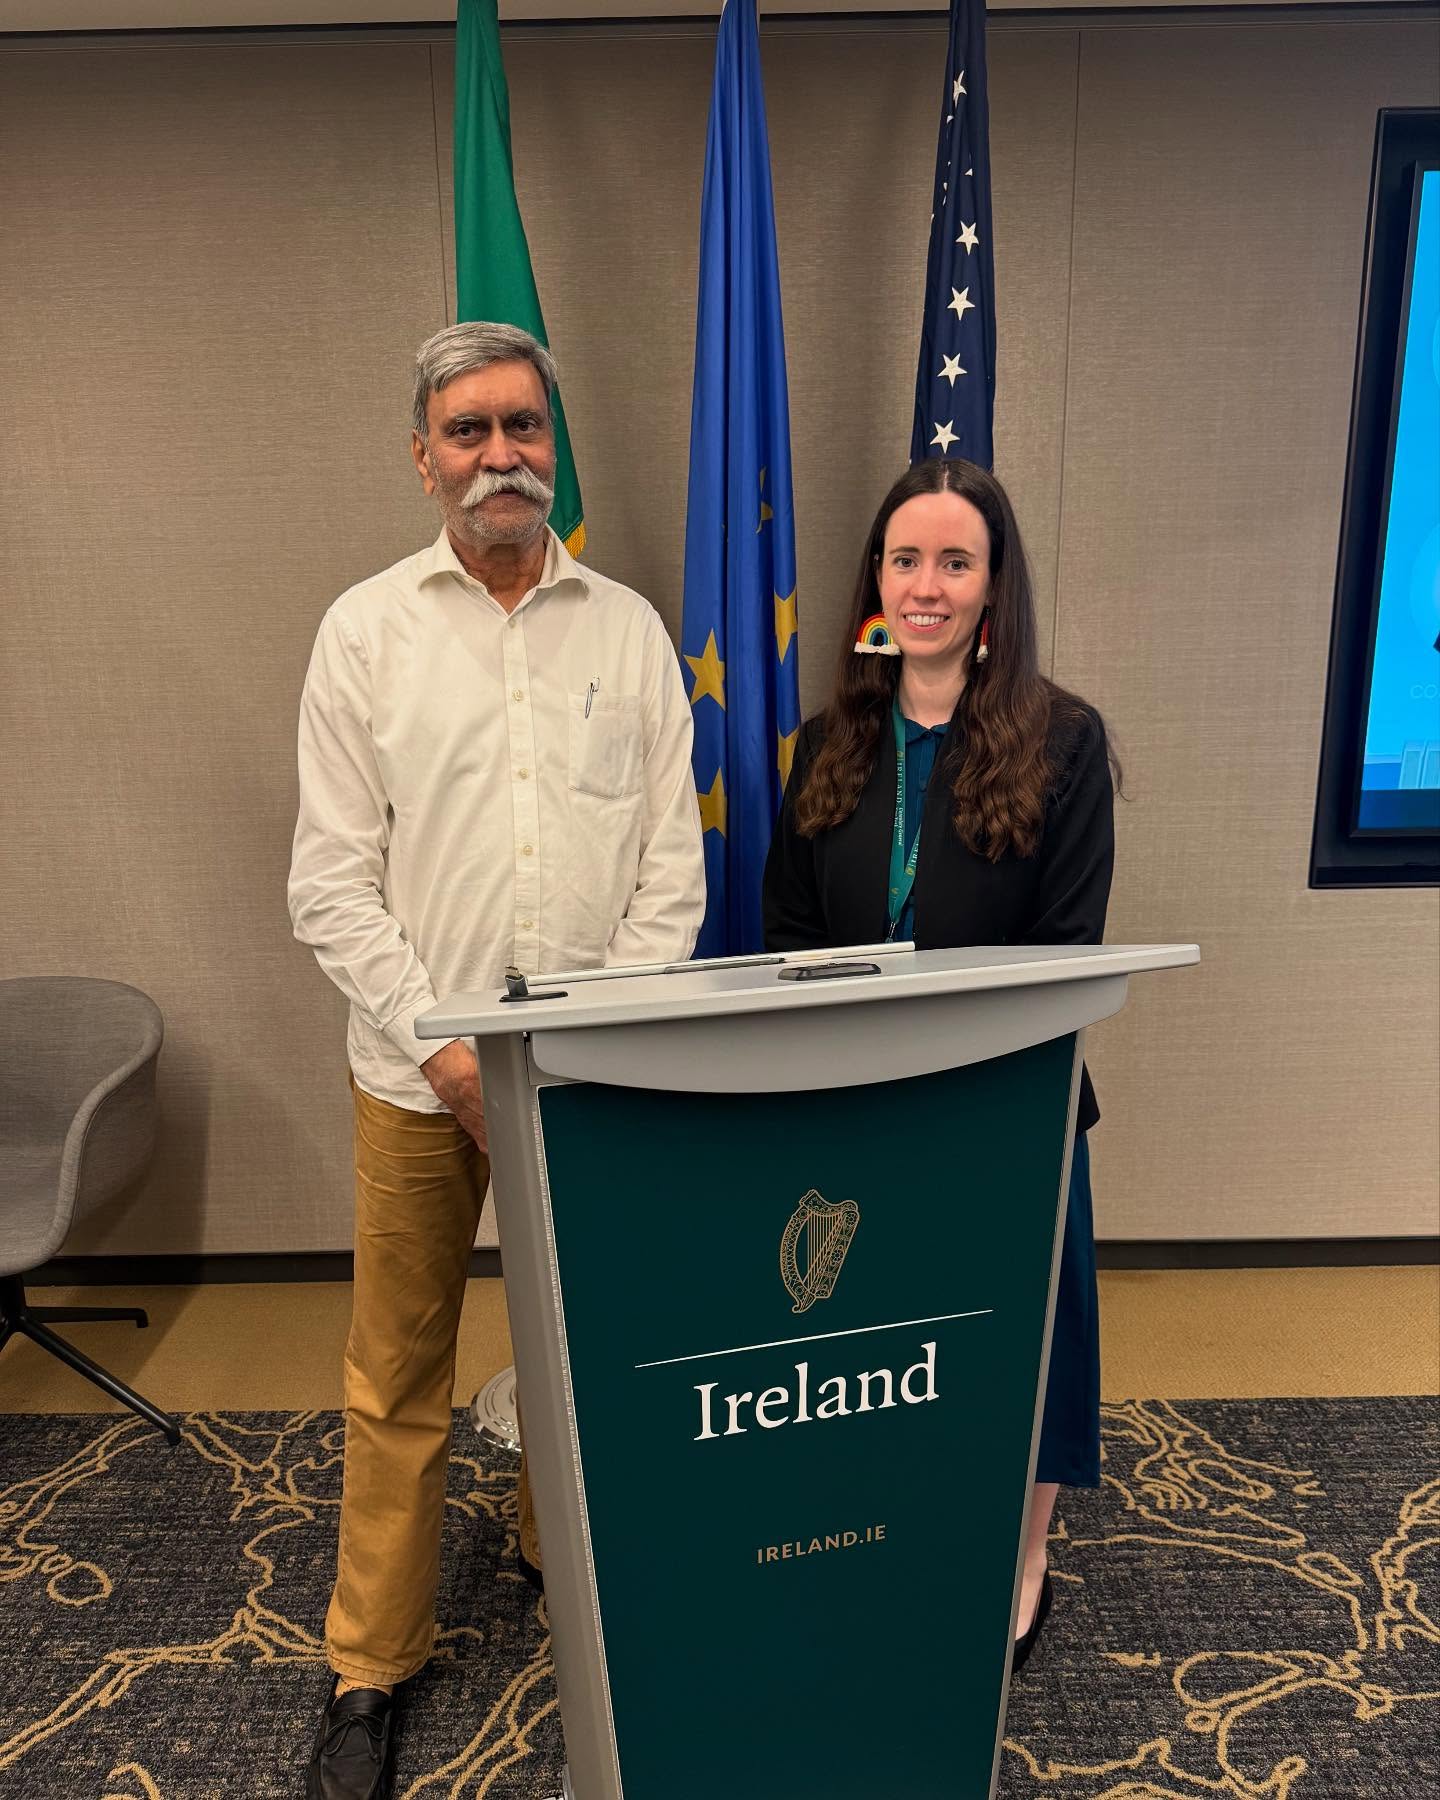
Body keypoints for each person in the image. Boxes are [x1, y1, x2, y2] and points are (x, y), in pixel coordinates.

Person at [288, 320, 705, 1798]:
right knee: (399, 1372)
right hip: (418, 1080)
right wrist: (449, 1045)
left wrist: (588, 1041)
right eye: (467, 430)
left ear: (554, 444)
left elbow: (670, 872)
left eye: (523, 425)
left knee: (583, 1353)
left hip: (584, 1082)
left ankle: (559, 1560)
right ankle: (370, 1663)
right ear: (423, 459)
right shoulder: (364, 633)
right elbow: (330, 884)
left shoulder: (629, 632)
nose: (499, 455)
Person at [762, 456, 1115, 1674]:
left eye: (955, 562)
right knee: (886, 1355)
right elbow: (789, 933)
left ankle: (1022, 1558)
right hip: (859, 1111)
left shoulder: (1064, 742)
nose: (926, 585)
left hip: (1008, 1107)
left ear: (992, 584)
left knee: (1026, 1340)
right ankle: (893, 1528)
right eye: (905, 559)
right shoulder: (828, 744)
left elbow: (1067, 947)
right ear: (877, 576)